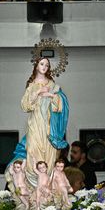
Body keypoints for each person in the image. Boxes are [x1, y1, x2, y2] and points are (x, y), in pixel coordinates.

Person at [13, 56, 69, 184]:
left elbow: (61, 105)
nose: (44, 67)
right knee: (33, 150)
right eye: (42, 64)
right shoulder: (31, 86)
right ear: (36, 66)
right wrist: (38, 92)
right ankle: (33, 184)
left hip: (49, 126)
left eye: (47, 65)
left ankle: (47, 184)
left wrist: (50, 95)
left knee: (49, 153)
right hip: (35, 124)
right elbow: (25, 106)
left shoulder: (53, 86)